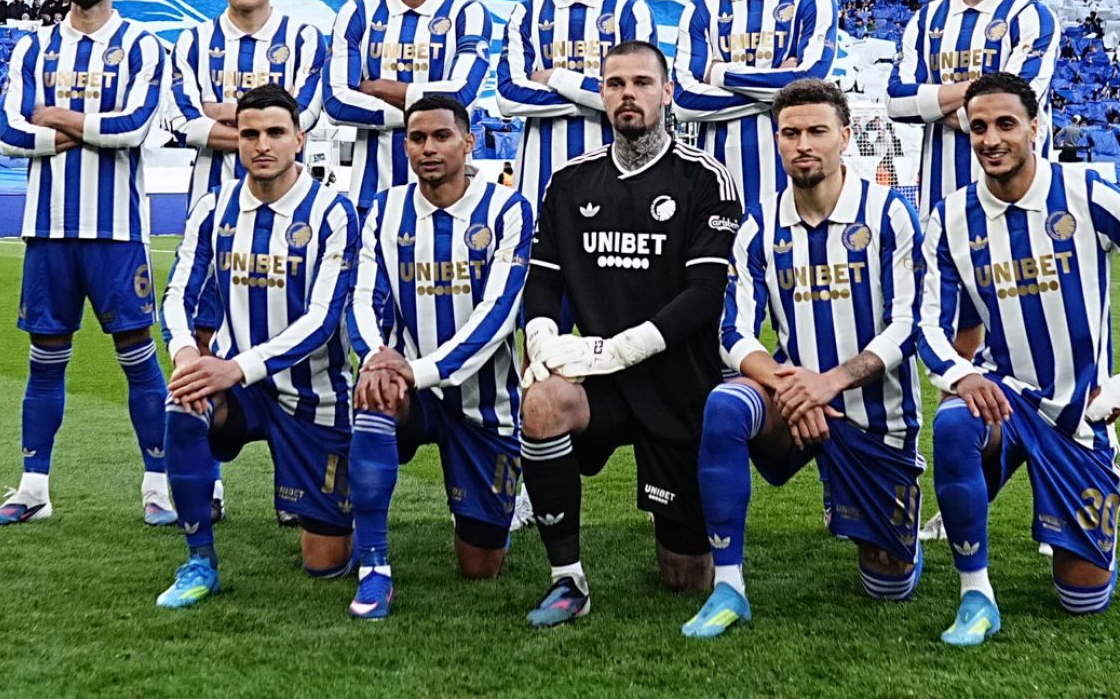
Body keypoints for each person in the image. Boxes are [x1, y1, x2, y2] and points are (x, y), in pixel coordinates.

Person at [920, 73, 1120, 646]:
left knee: (1083, 599)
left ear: (1035, 127)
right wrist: (962, 374)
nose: (992, 138)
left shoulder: (1085, 194)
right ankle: (975, 594)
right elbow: (925, 324)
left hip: (1080, 416)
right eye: (979, 127)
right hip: (1004, 397)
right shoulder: (950, 217)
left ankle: (1083, 507)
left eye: (1006, 124)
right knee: (955, 421)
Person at [685, 79, 931, 638]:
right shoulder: (759, 228)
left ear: (845, 137)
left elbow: (908, 323)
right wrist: (792, 387)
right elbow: (732, 331)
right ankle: (729, 586)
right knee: (726, 404)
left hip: (876, 418)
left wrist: (830, 383)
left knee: (888, 585)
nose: (803, 144)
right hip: (794, 407)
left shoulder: (890, 215)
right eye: (790, 133)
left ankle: (857, 504)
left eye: (817, 131)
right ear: (776, 141)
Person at [516, 41, 742, 627]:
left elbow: (704, 297)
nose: (628, 94)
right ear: (601, 94)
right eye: (615, 83)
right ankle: (567, 581)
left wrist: (615, 350)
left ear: (667, 92)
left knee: (684, 577)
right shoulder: (569, 182)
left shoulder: (704, 179)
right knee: (541, 405)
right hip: (600, 385)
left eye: (642, 82)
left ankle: (683, 528)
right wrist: (542, 342)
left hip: (676, 384)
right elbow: (542, 282)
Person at [0, 0, 173, 528]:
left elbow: (135, 127)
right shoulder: (34, 48)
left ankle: (159, 485)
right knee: (45, 360)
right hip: (47, 228)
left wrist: (59, 118)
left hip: (116, 230)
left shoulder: (141, 44)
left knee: (138, 358)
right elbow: (8, 135)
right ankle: (33, 488)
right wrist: (82, 130)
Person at [154, 84, 360, 607]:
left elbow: (322, 318)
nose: (261, 144)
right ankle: (199, 558)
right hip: (238, 391)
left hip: (313, 394)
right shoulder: (214, 207)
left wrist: (236, 368)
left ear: (299, 138)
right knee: (183, 400)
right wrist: (186, 355)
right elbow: (177, 291)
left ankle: (336, 514)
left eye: (274, 132)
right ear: (237, 140)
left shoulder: (333, 211)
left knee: (325, 565)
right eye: (249, 134)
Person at [346, 94, 533, 620]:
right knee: (375, 399)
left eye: (442, 137)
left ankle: (484, 516)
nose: (428, 149)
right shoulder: (385, 209)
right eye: (417, 138)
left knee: (481, 567)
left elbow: (497, 316)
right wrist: (378, 359)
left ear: (469, 142)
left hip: (484, 403)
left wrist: (419, 369)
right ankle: (374, 567)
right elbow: (361, 297)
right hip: (407, 390)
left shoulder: (508, 208)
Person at [886, 0, 1059, 390]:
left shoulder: (1032, 17)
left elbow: (1011, 110)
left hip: (1020, 203)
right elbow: (896, 101)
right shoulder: (927, 21)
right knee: (951, 338)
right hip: (943, 204)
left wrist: (939, 101)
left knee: (1025, 336)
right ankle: (964, 443)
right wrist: (973, 96)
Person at [674, 0, 840, 224]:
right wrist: (782, 89)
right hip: (717, 189)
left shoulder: (814, 1)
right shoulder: (700, 9)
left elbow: (810, 85)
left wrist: (719, 74)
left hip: (796, 188)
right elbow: (684, 100)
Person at [493, 0, 655, 211]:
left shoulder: (630, 11)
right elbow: (508, 97)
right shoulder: (527, 13)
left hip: (617, 179)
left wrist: (556, 77)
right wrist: (597, 100)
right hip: (541, 182)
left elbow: (639, 99)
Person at [326, 0, 491, 200]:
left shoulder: (468, 12)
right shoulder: (357, 13)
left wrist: (378, 88)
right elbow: (336, 102)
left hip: (450, 199)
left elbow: (464, 94)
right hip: (370, 193)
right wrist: (437, 123)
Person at [164, 0, 329, 206]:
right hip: (210, 200)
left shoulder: (305, 40)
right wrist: (274, 130)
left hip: (288, 202)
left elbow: (303, 119)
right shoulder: (193, 42)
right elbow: (183, 123)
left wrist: (220, 111)